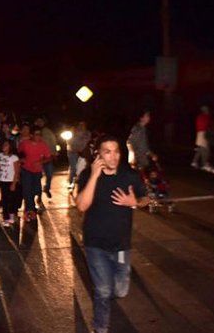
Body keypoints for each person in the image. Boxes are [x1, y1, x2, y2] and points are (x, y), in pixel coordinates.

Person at [75, 136, 149, 333]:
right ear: (99, 154)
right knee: (104, 290)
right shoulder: (87, 175)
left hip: (122, 246)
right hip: (95, 244)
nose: (113, 156)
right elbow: (82, 205)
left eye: (116, 151)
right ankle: (100, 327)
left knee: (121, 290)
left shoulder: (129, 175)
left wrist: (134, 202)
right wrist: (93, 176)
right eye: (107, 151)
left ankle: (105, 293)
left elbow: (145, 198)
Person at [18, 127, 52, 221]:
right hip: (26, 170)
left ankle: (35, 204)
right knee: (27, 189)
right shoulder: (25, 143)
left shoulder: (43, 145)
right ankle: (30, 210)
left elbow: (49, 157)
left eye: (40, 134)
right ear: (31, 135)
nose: (38, 136)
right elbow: (19, 153)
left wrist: (41, 162)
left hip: (37, 171)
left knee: (36, 189)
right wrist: (22, 160)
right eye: (36, 134)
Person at [0, 139, 20, 227]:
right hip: (2, 180)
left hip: (11, 181)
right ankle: (6, 218)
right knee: (4, 200)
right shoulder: (0, 155)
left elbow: (17, 171)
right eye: (3, 144)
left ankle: (12, 217)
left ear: (10, 146)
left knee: (11, 200)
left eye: (6, 145)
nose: (4, 146)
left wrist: (14, 183)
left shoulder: (14, 157)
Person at [191, 106, 214, 174]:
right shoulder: (206, 117)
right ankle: (204, 164)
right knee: (206, 150)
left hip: (199, 133)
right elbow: (210, 125)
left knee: (201, 149)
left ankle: (194, 162)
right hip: (204, 133)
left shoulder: (200, 116)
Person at [67, 122, 91, 188]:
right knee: (74, 168)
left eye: (83, 125)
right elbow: (69, 142)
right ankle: (71, 182)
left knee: (82, 167)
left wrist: (82, 150)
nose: (81, 126)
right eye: (80, 125)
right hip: (72, 152)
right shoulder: (73, 131)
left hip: (82, 152)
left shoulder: (87, 133)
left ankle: (80, 180)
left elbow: (86, 142)